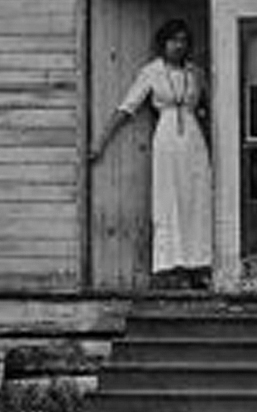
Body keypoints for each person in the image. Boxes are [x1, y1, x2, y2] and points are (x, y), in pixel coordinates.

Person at [89, 19, 214, 290]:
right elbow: (127, 107)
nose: (178, 46)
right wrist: (100, 141)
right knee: (170, 200)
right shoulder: (152, 72)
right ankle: (173, 267)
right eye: (173, 40)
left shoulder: (195, 72)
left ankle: (199, 265)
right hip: (167, 140)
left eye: (183, 40)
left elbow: (210, 106)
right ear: (162, 43)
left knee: (198, 199)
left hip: (194, 140)